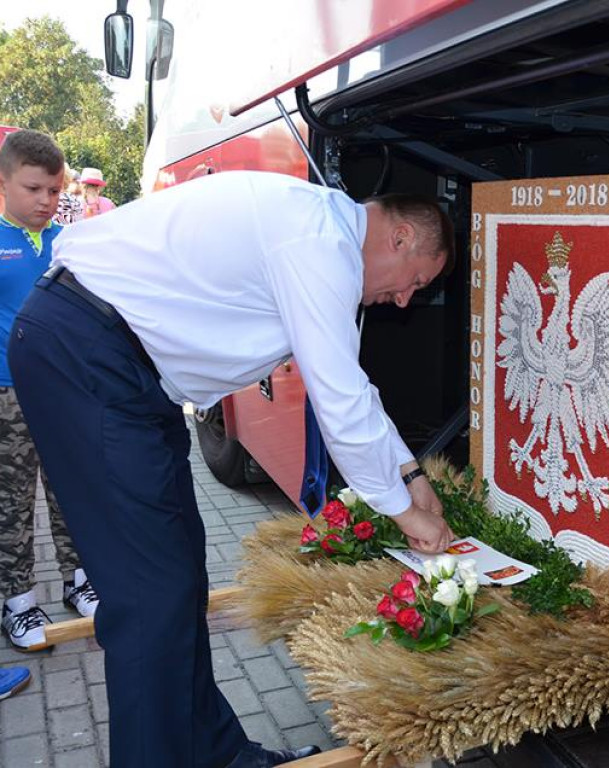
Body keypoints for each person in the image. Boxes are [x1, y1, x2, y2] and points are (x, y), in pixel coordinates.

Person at [8, 170, 456, 767]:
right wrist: (405, 516)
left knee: (180, 573)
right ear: (400, 237)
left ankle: (213, 752)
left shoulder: (321, 232)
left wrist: (411, 477)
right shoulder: (319, 243)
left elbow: (355, 390)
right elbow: (339, 400)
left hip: (127, 371)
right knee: (149, 596)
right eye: (416, 282)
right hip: (90, 354)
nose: (404, 300)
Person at [0, 130, 99, 653]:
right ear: (4, 183)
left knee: (70, 492)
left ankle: (78, 579)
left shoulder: (67, 242)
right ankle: (17, 601)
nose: (46, 201)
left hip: (62, 392)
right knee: (12, 503)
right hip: (7, 395)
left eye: (55, 191)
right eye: (34, 189)